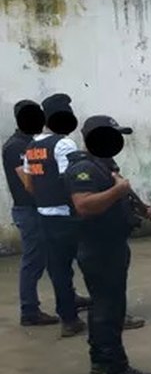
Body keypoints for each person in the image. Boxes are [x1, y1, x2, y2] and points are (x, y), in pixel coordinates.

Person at [66, 115, 151, 374]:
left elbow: (122, 187)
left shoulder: (103, 164)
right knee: (110, 310)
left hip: (111, 244)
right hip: (99, 247)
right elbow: (84, 205)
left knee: (102, 305)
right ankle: (118, 371)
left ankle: (100, 358)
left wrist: (140, 207)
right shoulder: (83, 168)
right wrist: (119, 191)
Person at [20, 93, 88, 337]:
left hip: (44, 215)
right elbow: (71, 180)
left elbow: (29, 183)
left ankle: (68, 319)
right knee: (94, 264)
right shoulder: (63, 144)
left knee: (58, 270)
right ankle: (111, 313)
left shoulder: (32, 146)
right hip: (68, 216)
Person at [3, 99, 59, 326]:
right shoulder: (15, 146)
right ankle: (29, 310)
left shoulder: (33, 142)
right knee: (33, 260)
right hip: (29, 210)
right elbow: (28, 182)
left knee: (56, 257)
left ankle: (69, 297)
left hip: (41, 208)